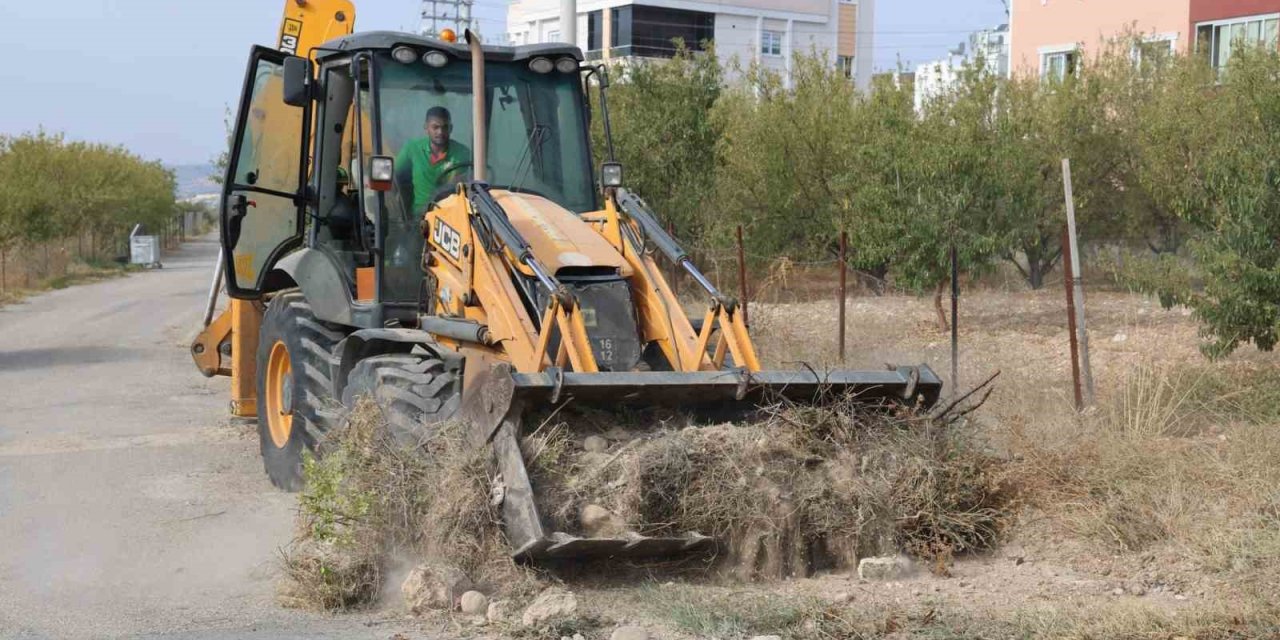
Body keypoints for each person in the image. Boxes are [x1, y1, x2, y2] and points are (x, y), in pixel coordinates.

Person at [396, 106, 472, 213]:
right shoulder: (412, 149)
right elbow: (392, 175)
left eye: (445, 127)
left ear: (451, 128)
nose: (440, 132)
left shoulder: (463, 153)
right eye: (435, 127)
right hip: (421, 217)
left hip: (451, 215)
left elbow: (464, 183)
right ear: (426, 128)